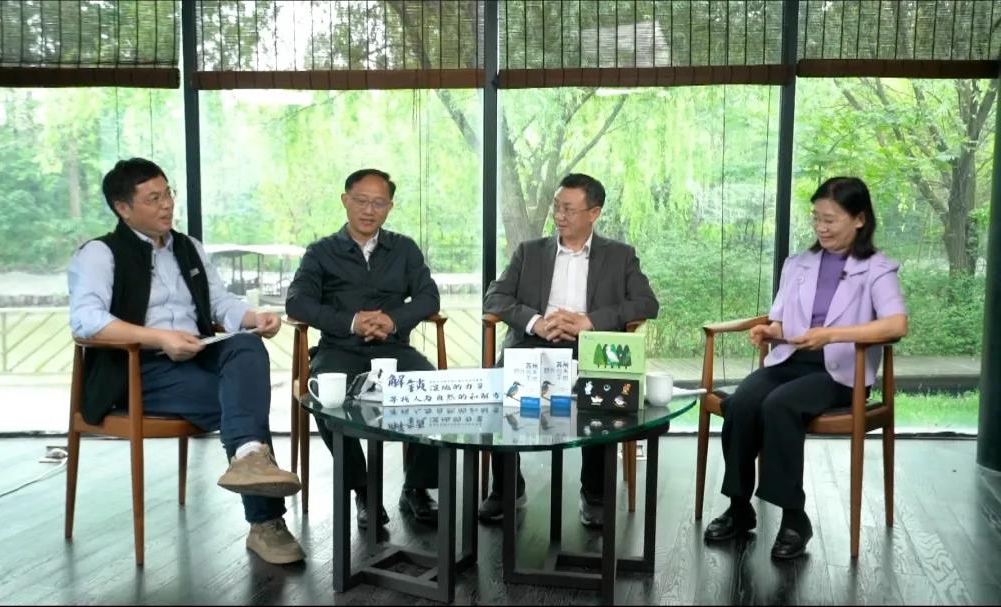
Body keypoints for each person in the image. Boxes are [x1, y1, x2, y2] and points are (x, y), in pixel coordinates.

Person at [68, 158, 304, 565]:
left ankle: (249, 459)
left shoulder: (188, 247)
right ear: (123, 208)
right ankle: (266, 522)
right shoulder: (100, 253)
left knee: (247, 347)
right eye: (153, 198)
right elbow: (86, 321)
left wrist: (253, 317)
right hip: (139, 368)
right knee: (241, 402)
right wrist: (159, 337)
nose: (167, 205)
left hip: (197, 352)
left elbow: (220, 303)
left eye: (168, 194)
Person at [704, 176, 908, 561]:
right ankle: (739, 507)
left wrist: (832, 335)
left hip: (840, 373)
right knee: (742, 403)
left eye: (830, 220)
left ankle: (794, 518)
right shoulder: (798, 264)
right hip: (791, 360)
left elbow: (896, 325)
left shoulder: (877, 268)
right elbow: (784, 324)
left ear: (859, 219)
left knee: (779, 405)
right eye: (816, 218)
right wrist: (770, 331)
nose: (821, 228)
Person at [481, 173, 660, 527]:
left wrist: (589, 321)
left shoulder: (620, 255)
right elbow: (495, 297)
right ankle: (506, 488)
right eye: (557, 207)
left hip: (589, 345)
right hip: (534, 342)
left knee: (603, 399)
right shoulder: (530, 252)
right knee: (499, 393)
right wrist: (535, 322)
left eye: (569, 209)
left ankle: (595, 493)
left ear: (594, 213)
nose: (559, 216)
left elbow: (646, 304)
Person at [285, 168, 442, 528]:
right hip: (340, 347)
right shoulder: (321, 252)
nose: (369, 210)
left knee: (433, 389)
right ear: (346, 201)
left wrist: (392, 319)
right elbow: (297, 302)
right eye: (361, 201)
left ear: (390, 207)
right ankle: (363, 490)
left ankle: (416, 487)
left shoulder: (403, 248)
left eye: (379, 203)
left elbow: (428, 296)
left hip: (394, 348)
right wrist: (352, 321)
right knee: (326, 398)